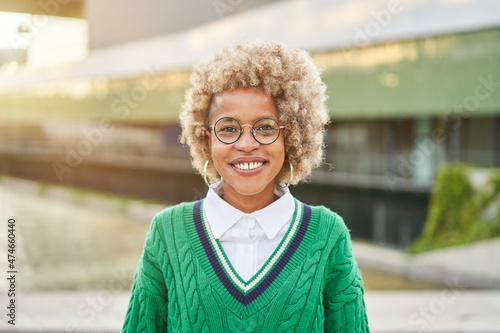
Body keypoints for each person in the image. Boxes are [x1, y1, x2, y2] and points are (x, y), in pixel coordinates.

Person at [122, 39, 369, 332]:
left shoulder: (328, 235)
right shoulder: (167, 232)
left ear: (290, 135)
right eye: (228, 129)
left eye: (265, 128)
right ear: (207, 138)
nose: (247, 144)